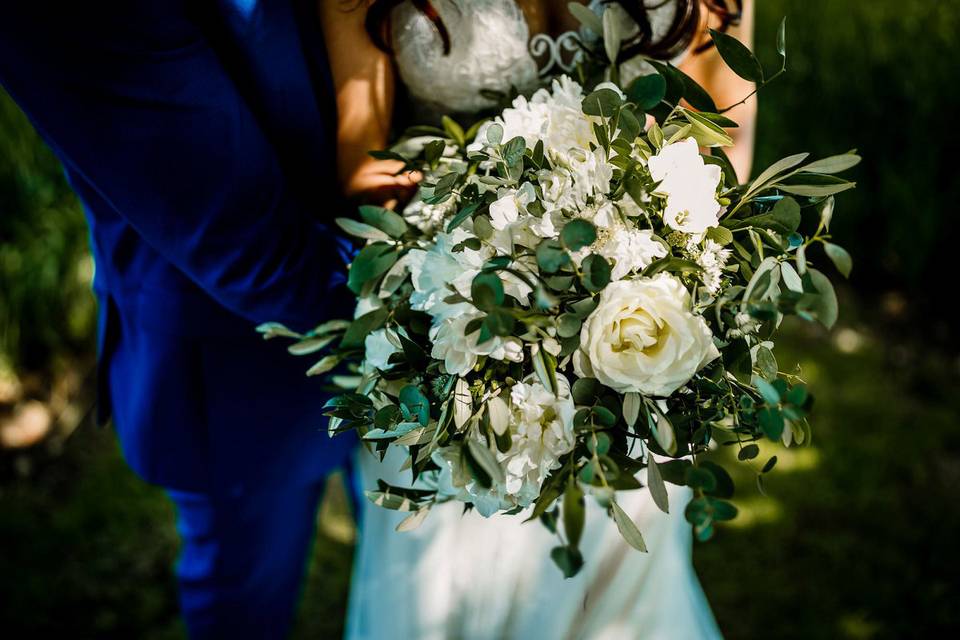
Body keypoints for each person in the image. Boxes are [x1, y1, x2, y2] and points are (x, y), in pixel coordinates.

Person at [320, 1, 755, 638]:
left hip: (638, 325)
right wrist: (494, 231)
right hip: (446, 321)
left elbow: (726, 136)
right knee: (437, 579)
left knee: (620, 583)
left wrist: (647, 234)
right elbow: (363, 159)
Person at [0, 2, 356, 637]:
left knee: (396, 545)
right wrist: (463, 298)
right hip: (237, 362)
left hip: (377, 287)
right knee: (246, 600)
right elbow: (242, 240)